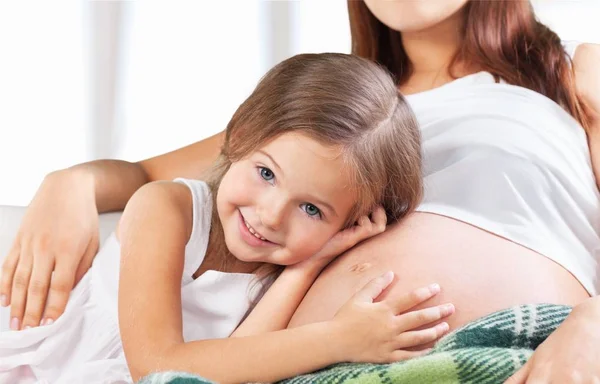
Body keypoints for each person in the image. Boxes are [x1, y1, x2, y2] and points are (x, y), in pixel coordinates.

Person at [1, 0, 599, 381]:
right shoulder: (336, 111)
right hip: (305, 365)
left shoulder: (570, 69)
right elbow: (143, 178)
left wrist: (591, 333)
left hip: (540, 352)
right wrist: (69, 182)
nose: (276, 208)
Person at [0, 53, 456, 383]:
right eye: (266, 173)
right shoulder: (165, 209)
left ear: (349, 224)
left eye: (312, 209)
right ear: (239, 136)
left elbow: (233, 365)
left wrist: (306, 268)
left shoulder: (285, 270)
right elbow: (157, 368)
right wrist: (339, 339)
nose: (271, 215)